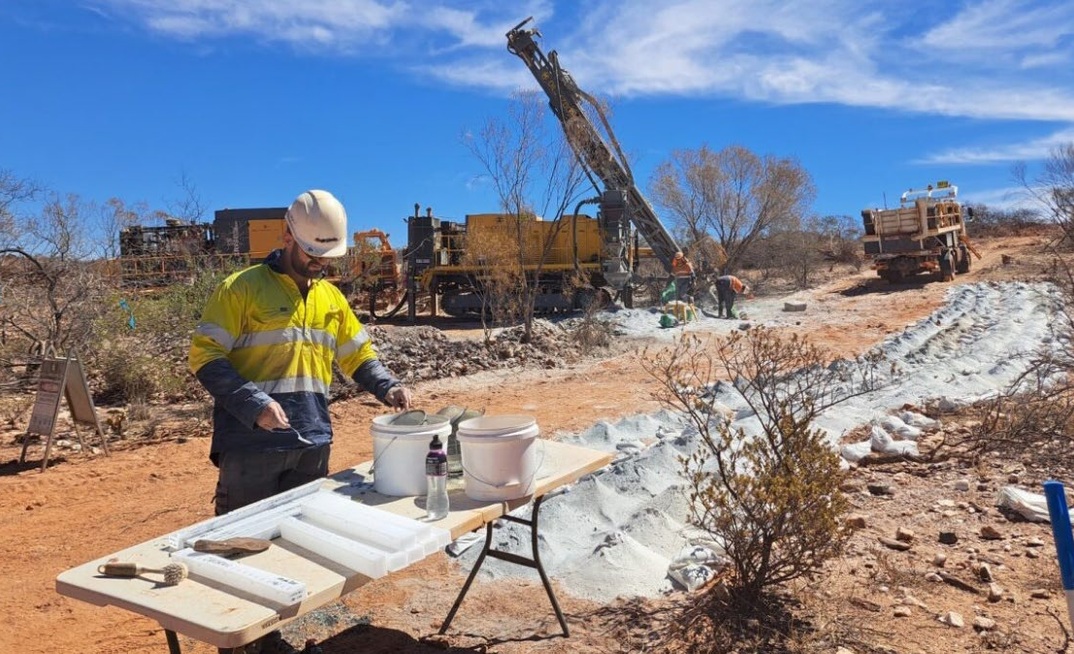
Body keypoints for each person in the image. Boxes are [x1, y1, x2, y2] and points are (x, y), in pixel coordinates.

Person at [189, 189, 412, 653]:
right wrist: (253, 404)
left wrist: (387, 385)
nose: (318, 263)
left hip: (311, 442)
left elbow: (358, 354)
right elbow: (205, 356)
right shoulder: (242, 288)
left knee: (296, 551)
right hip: (250, 447)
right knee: (239, 550)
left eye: (326, 256)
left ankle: (273, 642)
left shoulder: (331, 298)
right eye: (312, 253)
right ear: (288, 235)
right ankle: (240, 644)